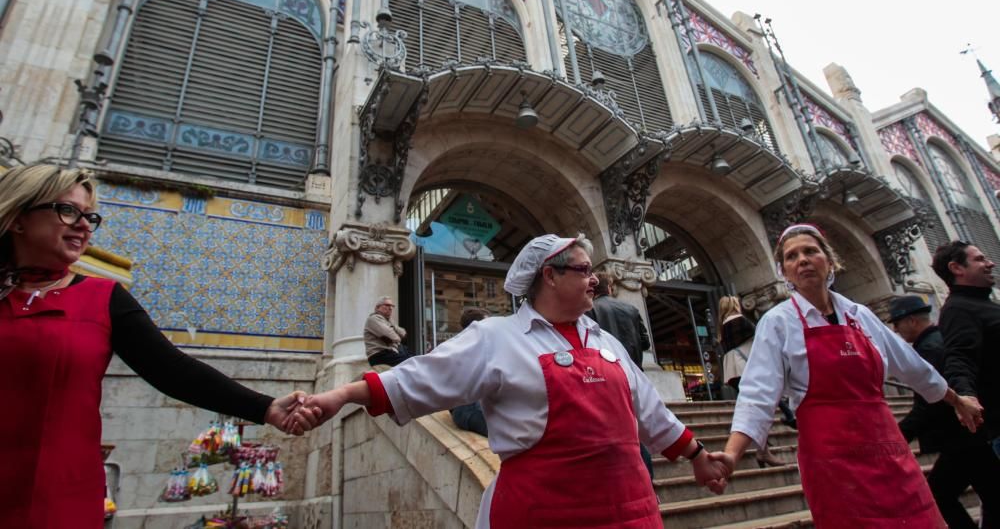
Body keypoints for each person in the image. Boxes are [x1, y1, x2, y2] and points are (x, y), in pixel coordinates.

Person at [291, 233, 730, 528]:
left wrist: (696, 455)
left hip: (633, 513)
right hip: (543, 514)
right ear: (550, 276)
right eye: (583, 269)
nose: (594, 278)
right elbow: (417, 377)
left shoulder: (605, 343)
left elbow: (650, 412)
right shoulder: (497, 336)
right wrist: (340, 396)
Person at [0, 164, 319, 529]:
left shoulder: (102, 297)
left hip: (56, 497)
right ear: (18, 219)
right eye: (67, 210)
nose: (84, 225)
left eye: (90, 216)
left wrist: (266, 408)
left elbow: (173, 370)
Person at [717, 223, 983, 527]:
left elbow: (913, 367)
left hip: (888, 451)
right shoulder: (777, 323)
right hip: (833, 464)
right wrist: (731, 456)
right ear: (784, 272)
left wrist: (957, 400)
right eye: (792, 256)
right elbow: (757, 395)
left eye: (810, 251)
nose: (802, 259)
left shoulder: (861, 314)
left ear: (829, 261)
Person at [890, 295, 1000, 529]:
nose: (897, 332)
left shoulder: (928, 349)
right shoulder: (941, 341)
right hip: (970, 436)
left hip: (961, 439)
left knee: (940, 495)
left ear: (910, 321)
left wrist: (898, 435)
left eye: (897, 325)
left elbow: (932, 401)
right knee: (991, 495)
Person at [933, 241, 1000, 461]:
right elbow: (959, 355)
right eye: (980, 259)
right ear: (957, 268)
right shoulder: (958, 309)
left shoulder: (985, 304)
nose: (990, 263)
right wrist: (965, 395)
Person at [586, 271, 654, 477]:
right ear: (610, 287)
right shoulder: (630, 309)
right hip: (632, 376)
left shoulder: (588, 311)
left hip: (601, 378)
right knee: (635, 430)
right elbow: (645, 343)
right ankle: (647, 479)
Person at [717, 295, 782, 468]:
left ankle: (762, 446)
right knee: (758, 406)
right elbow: (763, 336)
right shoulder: (740, 321)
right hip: (745, 367)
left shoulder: (722, 326)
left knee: (752, 406)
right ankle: (762, 449)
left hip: (732, 369)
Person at [449, 307, 490, 437]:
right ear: (475, 328)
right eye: (488, 324)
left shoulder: (482, 346)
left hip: (477, 406)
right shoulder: (462, 349)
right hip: (469, 408)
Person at [364, 295, 412, 367]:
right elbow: (394, 337)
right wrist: (396, 336)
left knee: (414, 359)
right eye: (387, 305)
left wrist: (392, 326)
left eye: (392, 306)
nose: (390, 308)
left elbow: (404, 334)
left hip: (391, 353)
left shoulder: (389, 320)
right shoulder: (373, 319)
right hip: (379, 354)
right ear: (378, 307)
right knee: (410, 363)